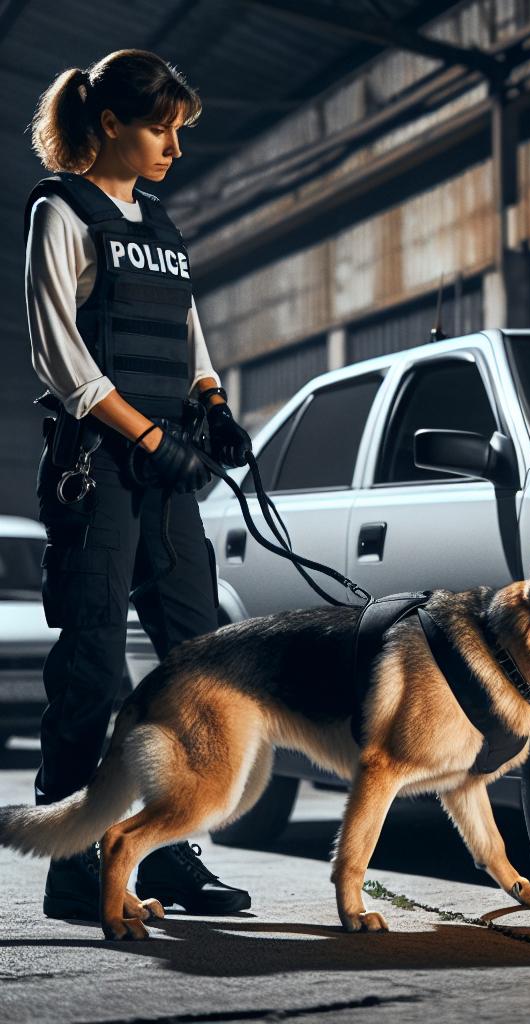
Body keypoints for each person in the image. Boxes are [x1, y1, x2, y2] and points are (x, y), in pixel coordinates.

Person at [24, 49, 254, 921]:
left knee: (199, 664)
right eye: (160, 129)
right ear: (110, 122)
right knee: (89, 667)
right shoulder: (62, 210)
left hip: (168, 474)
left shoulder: (157, 222)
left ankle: (164, 849)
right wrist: (151, 437)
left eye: (179, 132)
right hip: (100, 472)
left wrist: (214, 402)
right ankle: (75, 867)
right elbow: (60, 355)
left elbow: (188, 332)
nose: (173, 148)